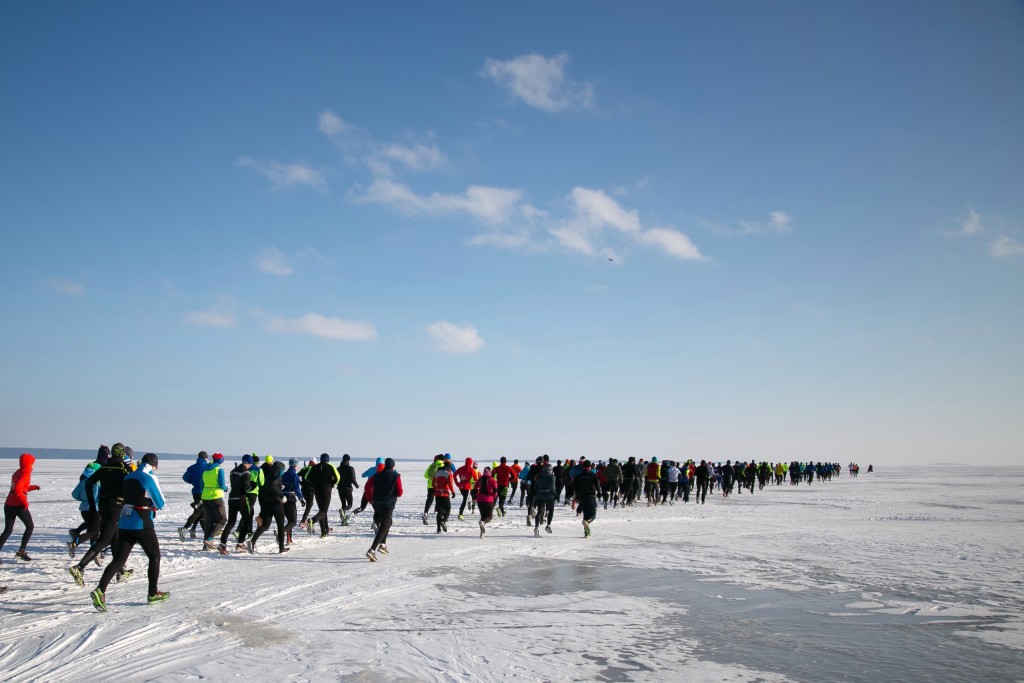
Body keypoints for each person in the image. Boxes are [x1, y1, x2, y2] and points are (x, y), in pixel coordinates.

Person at [89, 453, 168, 611]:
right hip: (141, 520)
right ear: (153, 465)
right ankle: (153, 593)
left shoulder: (129, 476)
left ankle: (100, 590)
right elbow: (160, 502)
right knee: (155, 556)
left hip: (125, 520)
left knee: (119, 559)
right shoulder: (148, 478)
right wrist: (150, 502)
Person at [70, 444, 133, 583]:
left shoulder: (104, 467)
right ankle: (79, 567)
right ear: (122, 454)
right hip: (116, 507)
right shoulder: (124, 469)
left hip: (103, 506)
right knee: (104, 539)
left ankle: (120, 570)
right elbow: (133, 486)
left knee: (116, 537)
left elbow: (89, 483)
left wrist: (92, 504)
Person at [0, 453, 41, 561]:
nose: (33, 465)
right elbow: (18, 489)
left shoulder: (18, 472)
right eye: (32, 463)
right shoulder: (26, 472)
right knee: (30, 526)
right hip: (17, 505)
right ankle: (21, 551)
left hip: (8, 504)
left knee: (7, 530)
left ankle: (21, 552)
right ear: (29, 463)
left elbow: (18, 487)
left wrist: (32, 487)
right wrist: (24, 503)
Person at [366, 458, 402, 562]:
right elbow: (399, 492)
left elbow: (367, 486)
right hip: (388, 505)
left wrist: (370, 499)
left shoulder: (376, 475)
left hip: (377, 504)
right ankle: (372, 550)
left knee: (388, 522)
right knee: (385, 525)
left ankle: (382, 545)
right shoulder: (396, 476)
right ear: (393, 466)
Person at [68, 450, 103, 557]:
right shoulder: (97, 482)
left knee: (94, 530)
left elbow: (74, 494)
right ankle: (75, 542)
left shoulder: (83, 481)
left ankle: (94, 550)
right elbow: (99, 495)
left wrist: (83, 499)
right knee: (93, 531)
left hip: (83, 509)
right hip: (95, 509)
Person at [249, 461, 288, 554]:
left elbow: (266, 487)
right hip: (276, 504)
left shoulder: (267, 475)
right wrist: (281, 495)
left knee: (265, 525)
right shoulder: (277, 476)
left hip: (266, 503)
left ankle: (252, 541)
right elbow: (272, 487)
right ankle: (281, 548)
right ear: (280, 469)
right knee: (280, 526)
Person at [219, 455, 254, 554]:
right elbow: (246, 488)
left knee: (231, 522)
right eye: (250, 464)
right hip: (241, 499)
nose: (250, 466)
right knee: (247, 520)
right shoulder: (246, 473)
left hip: (232, 498)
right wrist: (252, 485)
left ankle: (222, 544)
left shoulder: (233, 471)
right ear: (247, 463)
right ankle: (240, 543)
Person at [177, 451, 209, 541]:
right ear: (206, 458)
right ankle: (185, 528)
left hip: (195, 492)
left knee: (201, 512)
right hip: (205, 492)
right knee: (199, 512)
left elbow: (185, 478)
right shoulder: (207, 467)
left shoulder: (191, 467)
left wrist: (193, 482)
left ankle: (198, 531)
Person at [306, 453, 339, 537]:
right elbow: (338, 478)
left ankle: (323, 533)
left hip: (317, 490)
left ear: (320, 459)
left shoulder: (314, 467)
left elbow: (307, 477)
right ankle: (313, 520)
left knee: (322, 511)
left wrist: (314, 484)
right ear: (328, 460)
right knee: (323, 511)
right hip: (326, 490)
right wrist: (332, 483)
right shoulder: (330, 467)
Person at [200, 453, 228, 550]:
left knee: (209, 521)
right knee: (222, 520)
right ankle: (210, 538)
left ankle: (206, 545)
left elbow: (202, 483)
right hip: (216, 496)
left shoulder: (205, 470)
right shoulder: (219, 470)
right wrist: (226, 488)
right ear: (221, 461)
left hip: (205, 496)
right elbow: (221, 484)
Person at [572, 460, 601, 538]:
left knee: (586, 514)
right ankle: (588, 522)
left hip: (582, 497)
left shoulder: (578, 476)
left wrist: (577, 495)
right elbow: (597, 484)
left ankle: (586, 533)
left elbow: (574, 486)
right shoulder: (593, 475)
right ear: (590, 467)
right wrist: (599, 492)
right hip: (591, 496)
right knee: (593, 515)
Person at [281, 458, 305, 544]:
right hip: (290, 498)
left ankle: (289, 540)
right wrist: (301, 498)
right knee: (293, 521)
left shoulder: (283, 474)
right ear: (296, 465)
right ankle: (281, 532)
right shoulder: (294, 475)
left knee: (289, 521)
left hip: (282, 498)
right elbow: (297, 489)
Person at [532, 462, 557, 537]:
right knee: (551, 510)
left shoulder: (539, 476)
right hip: (549, 496)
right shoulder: (552, 477)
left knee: (540, 512)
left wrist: (536, 493)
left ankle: (536, 527)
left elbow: (535, 487)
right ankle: (548, 525)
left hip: (540, 495)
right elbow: (552, 487)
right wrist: (555, 495)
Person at [431, 460, 455, 533]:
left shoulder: (437, 472)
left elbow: (433, 484)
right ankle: (443, 521)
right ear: (448, 467)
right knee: (448, 509)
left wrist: (437, 488)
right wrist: (453, 492)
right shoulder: (448, 474)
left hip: (437, 494)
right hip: (445, 494)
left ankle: (438, 529)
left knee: (439, 512)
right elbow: (450, 484)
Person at [473, 467, 498, 538]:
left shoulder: (479, 479)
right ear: (490, 472)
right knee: (489, 517)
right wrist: (493, 496)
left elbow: (474, 489)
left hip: (480, 500)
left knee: (483, 517)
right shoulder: (492, 480)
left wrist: (476, 496)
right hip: (488, 500)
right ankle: (483, 523)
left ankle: (482, 534)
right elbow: (495, 491)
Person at [421, 454, 445, 524]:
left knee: (429, 500)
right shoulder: (442, 465)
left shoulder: (431, 465)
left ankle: (425, 513)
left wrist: (431, 478)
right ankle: (441, 516)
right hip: (439, 486)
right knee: (441, 501)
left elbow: (425, 475)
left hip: (430, 485)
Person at [336, 454, 358, 526]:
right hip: (348, 489)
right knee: (350, 505)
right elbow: (353, 479)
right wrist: (356, 485)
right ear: (349, 460)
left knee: (343, 504)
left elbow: (336, 478)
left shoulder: (338, 468)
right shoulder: (351, 468)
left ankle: (343, 522)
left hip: (340, 489)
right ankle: (343, 514)